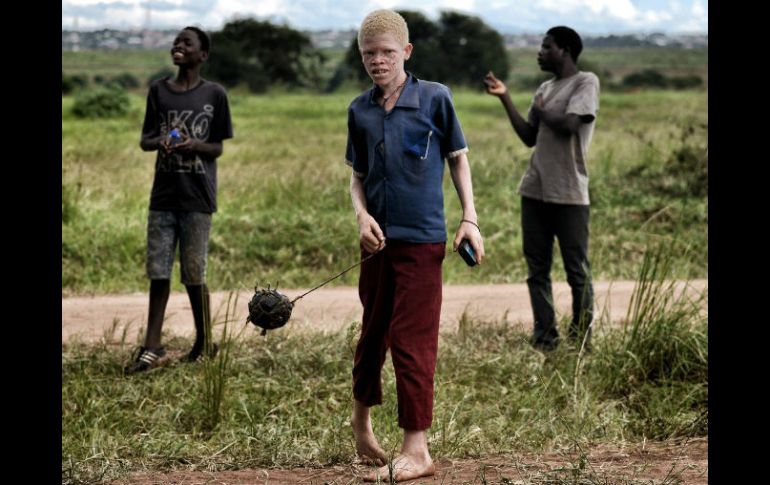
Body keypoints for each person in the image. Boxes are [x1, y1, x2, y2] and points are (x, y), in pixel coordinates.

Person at [345, 9, 485, 482]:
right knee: (372, 334)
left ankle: (417, 449)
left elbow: (458, 161)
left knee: (411, 340)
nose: (378, 62)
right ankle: (361, 427)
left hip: (424, 241)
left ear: (405, 52)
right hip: (377, 244)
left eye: (387, 53)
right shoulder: (359, 109)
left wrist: (469, 218)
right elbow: (357, 178)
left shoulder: (435, 99)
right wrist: (362, 216)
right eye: (369, 54)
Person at [124, 26, 233, 375]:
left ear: (203, 55)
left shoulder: (214, 95)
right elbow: (145, 140)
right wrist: (162, 142)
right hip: (163, 197)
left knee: (193, 273)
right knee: (158, 273)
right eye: (176, 42)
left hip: (198, 197)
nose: (178, 46)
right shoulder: (159, 91)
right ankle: (152, 346)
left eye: (187, 43)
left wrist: (192, 146)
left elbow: (217, 146)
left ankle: (205, 341)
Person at [484, 26, 599, 351]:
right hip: (534, 190)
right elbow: (529, 137)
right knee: (537, 269)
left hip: (569, 193)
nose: (540, 51)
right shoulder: (545, 87)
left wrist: (541, 110)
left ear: (564, 50)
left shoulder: (585, 82)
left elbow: (571, 124)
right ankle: (545, 338)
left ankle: (581, 342)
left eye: (546, 46)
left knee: (577, 271)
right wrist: (505, 97)